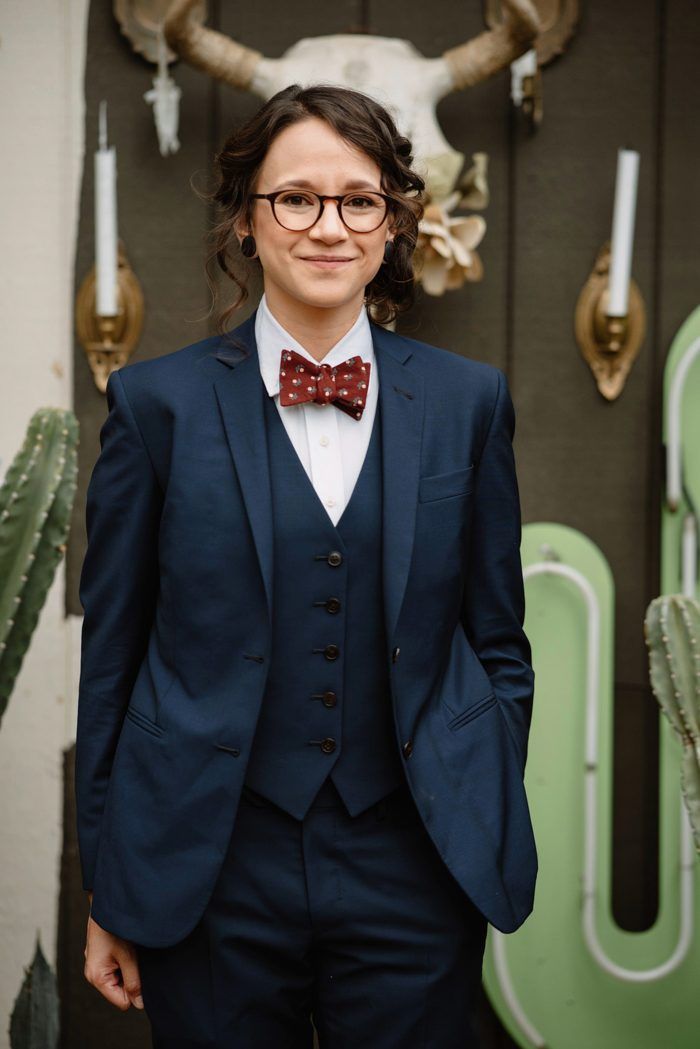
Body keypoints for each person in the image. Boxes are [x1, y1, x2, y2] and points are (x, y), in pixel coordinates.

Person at [77, 83, 537, 1049]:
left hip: (413, 861)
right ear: (247, 218)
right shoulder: (157, 407)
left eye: (358, 199)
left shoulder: (468, 402)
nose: (328, 227)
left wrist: (474, 786)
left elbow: (498, 638)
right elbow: (112, 659)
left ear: (393, 223)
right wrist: (112, 880)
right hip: (210, 862)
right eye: (296, 197)